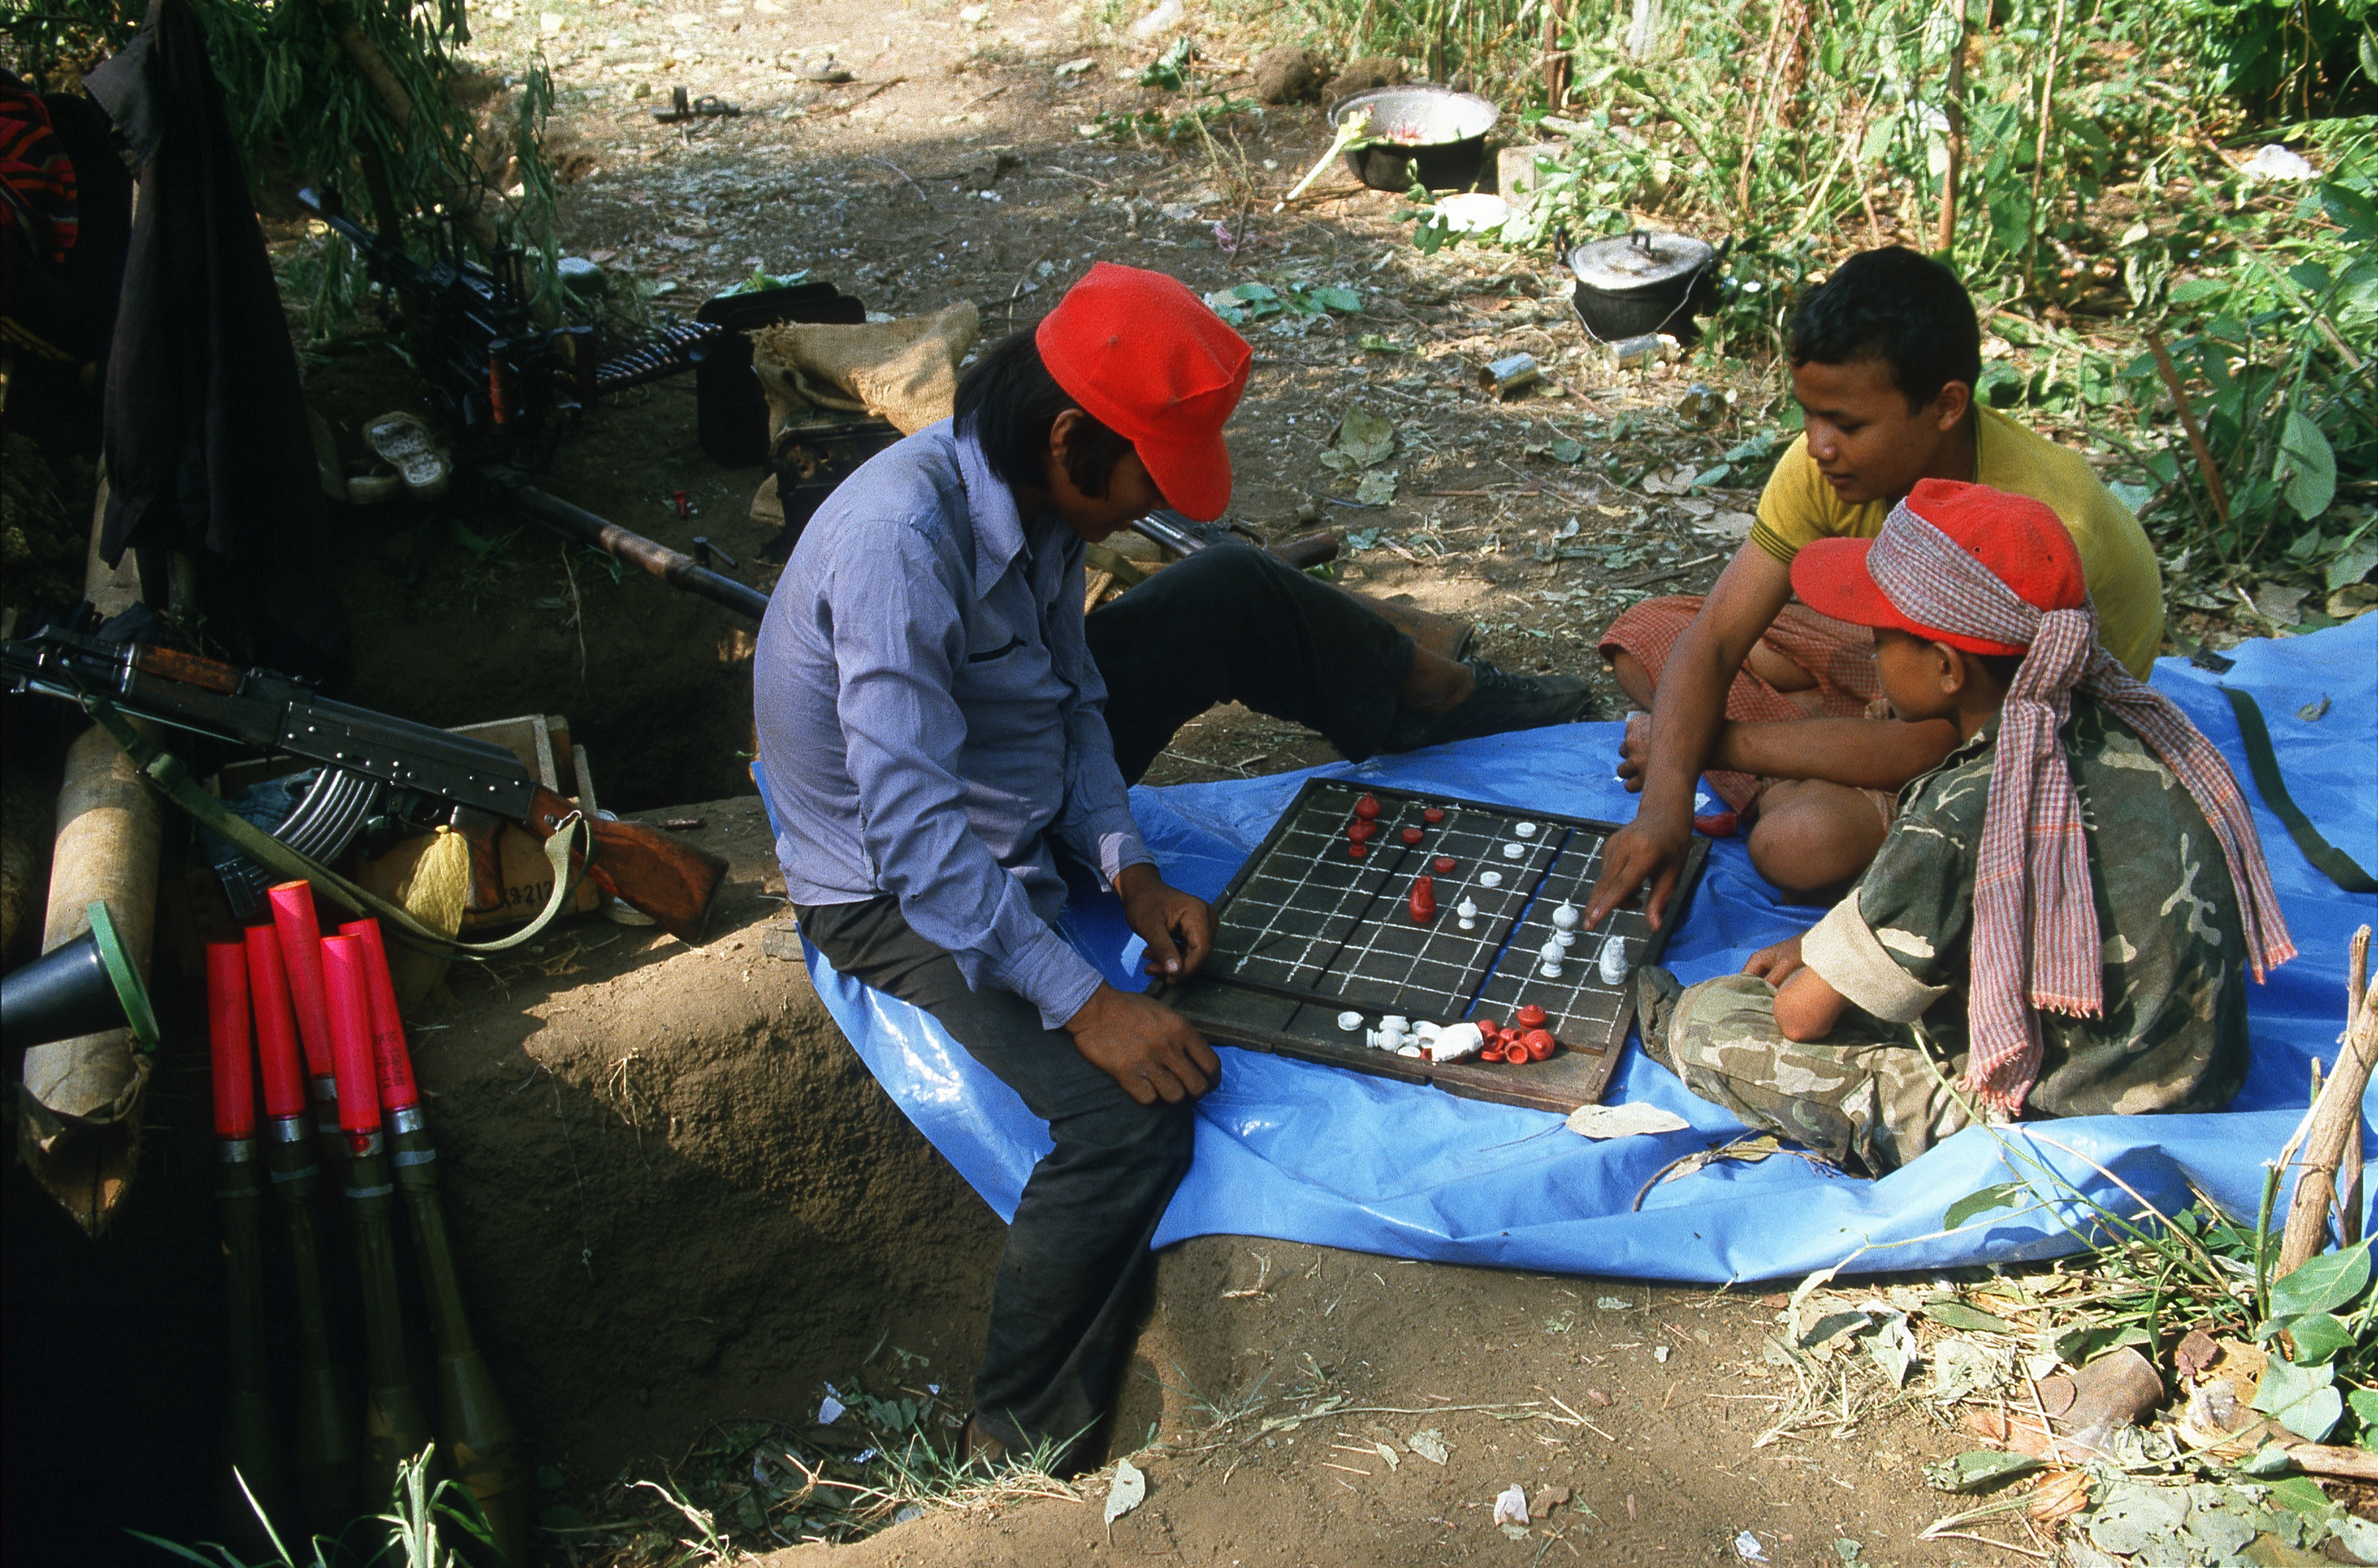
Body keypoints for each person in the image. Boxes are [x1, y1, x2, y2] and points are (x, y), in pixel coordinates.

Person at [1633, 480, 2292, 1175]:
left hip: (2065, 1119)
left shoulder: (1966, 804)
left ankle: (1673, 1027)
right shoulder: (2142, 727)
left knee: (1717, 1020)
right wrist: (1824, 943)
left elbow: (1800, 1018)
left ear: (1946, 668)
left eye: (1882, 638)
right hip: (2201, 1077)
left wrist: (1819, 968)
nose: (1873, 654)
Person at [1586, 247, 2165, 924]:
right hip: (1911, 661)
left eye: (1848, 425)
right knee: (1644, 635)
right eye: (1809, 414)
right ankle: (1813, 753)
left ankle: (1795, 766)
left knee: (1794, 846)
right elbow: (1714, 638)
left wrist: (1694, 750)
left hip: (2020, 739)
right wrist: (1663, 809)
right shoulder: (1825, 465)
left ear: (1946, 406)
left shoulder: (2031, 525)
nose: (1818, 446)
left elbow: (1944, 741)